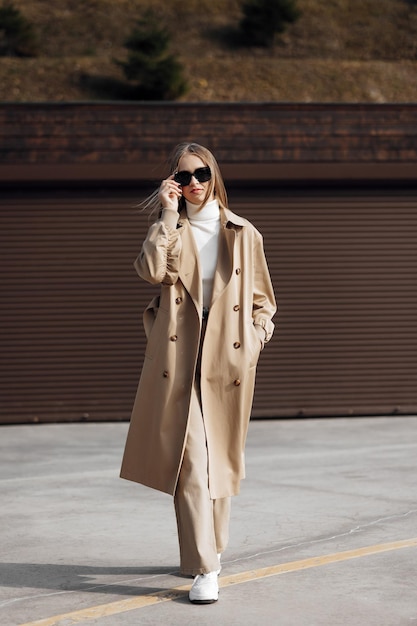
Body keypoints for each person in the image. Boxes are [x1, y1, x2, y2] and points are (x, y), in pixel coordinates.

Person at [120, 142, 276, 604]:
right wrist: (167, 217)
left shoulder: (243, 233)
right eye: (182, 177)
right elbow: (151, 272)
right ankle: (206, 567)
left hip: (226, 359)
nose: (193, 185)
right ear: (173, 183)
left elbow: (264, 300)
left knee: (219, 462)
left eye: (201, 174)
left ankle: (207, 550)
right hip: (177, 358)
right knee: (190, 462)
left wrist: (254, 340)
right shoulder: (171, 230)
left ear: (215, 175)